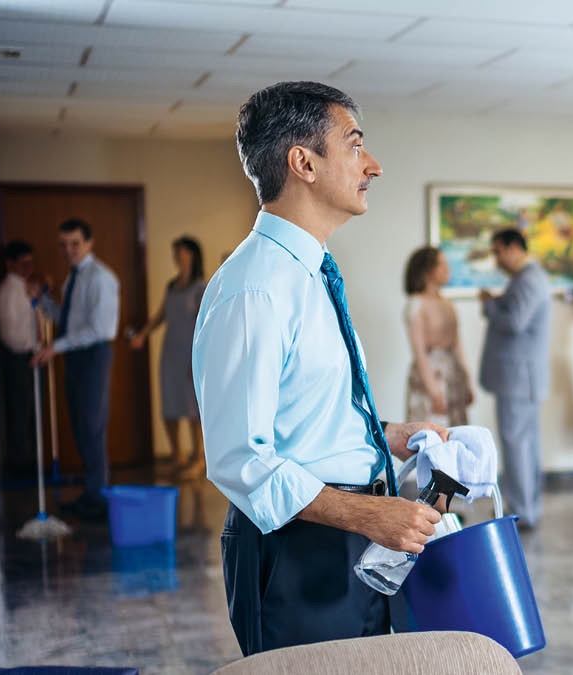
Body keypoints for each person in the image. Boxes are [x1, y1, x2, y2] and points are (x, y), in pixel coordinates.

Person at [192, 81, 448, 657]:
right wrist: (365, 513)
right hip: (297, 548)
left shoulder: (312, 272)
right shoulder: (255, 288)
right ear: (303, 162)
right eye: (355, 145)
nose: (373, 165)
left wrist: (387, 436)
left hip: (350, 535)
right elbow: (241, 459)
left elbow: (303, 417)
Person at [33, 218, 120, 521]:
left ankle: (97, 500)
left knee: (92, 427)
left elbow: (99, 329)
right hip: (75, 354)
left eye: (74, 244)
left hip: (93, 355)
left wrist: (55, 348)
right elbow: (67, 320)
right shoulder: (73, 278)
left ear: (89, 243)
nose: (68, 250)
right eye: (64, 244)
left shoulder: (101, 278)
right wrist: (43, 299)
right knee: (81, 427)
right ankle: (91, 494)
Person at [478, 229, 551, 528]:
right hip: (521, 378)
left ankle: (522, 511)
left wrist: (489, 304)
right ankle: (526, 507)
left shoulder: (529, 278)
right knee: (524, 444)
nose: (496, 259)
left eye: (497, 251)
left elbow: (515, 321)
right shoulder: (527, 278)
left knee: (517, 444)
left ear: (512, 248)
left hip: (518, 378)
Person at [130, 236, 207, 478]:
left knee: (193, 409)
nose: (177, 257)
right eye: (175, 252)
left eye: (181, 252)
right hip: (170, 353)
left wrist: (199, 359)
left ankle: (199, 459)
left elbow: (204, 324)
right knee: (170, 406)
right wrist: (142, 334)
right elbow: (160, 315)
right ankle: (178, 455)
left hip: (190, 354)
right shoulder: (172, 286)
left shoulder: (200, 288)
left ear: (192, 255)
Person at [403, 246, 474, 427]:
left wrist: (467, 381)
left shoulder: (448, 304)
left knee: (456, 433)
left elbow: (458, 347)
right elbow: (419, 353)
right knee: (432, 433)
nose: (447, 269)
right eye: (441, 264)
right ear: (427, 270)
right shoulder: (416, 304)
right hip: (431, 376)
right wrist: (433, 391)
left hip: (453, 374)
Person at [0, 241, 40, 474]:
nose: (29, 268)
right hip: (18, 357)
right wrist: (27, 348)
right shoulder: (9, 290)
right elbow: (9, 332)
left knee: (30, 411)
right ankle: (21, 464)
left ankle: (30, 460)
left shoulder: (24, 287)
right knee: (20, 412)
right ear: (9, 263)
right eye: (23, 263)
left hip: (30, 355)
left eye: (31, 263)